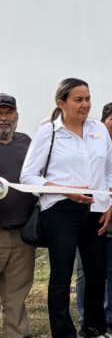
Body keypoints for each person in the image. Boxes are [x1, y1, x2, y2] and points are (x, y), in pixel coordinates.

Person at [21, 78, 112, 338]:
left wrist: (111, 201)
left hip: (97, 209)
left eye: (88, 98)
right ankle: (63, 333)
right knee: (61, 276)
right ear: (61, 103)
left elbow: (111, 170)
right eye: (78, 99)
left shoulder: (99, 130)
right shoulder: (48, 132)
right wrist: (65, 190)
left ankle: (94, 329)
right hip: (60, 211)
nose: (85, 104)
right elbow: (28, 176)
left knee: (97, 272)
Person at [75, 102, 112, 333]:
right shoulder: (89, 144)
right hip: (91, 218)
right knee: (86, 271)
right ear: (102, 122)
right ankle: (86, 317)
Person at [0, 93, 35, 338]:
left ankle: (16, 334)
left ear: (17, 116)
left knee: (16, 294)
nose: (4, 118)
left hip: (22, 235)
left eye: (8, 112)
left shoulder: (27, 143)